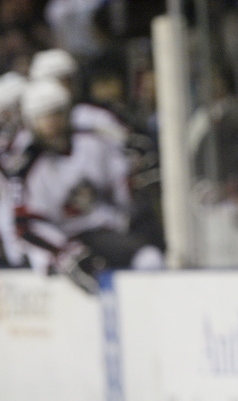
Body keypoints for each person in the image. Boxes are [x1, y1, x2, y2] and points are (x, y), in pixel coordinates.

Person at [1, 78, 163, 293]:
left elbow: (118, 188)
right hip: (56, 240)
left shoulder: (91, 142)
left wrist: (135, 182)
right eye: (43, 117)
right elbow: (25, 226)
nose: (51, 124)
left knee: (149, 259)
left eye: (56, 113)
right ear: (31, 122)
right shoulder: (26, 166)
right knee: (76, 281)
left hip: (98, 229)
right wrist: (65, 254)